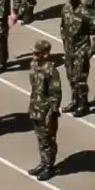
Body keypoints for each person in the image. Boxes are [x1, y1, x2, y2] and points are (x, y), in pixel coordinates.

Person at [26, 41, 63, 178]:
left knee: (48, 139)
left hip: (47, 111)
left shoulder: (51, 71)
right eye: (33, 53)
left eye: (36, 53)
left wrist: (51, 113)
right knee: (41, 138)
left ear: (45, 54)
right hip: (36, 107)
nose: (33, 56)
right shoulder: (34, 65)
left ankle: (49, 166)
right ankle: (43, 162)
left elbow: (55, 94)